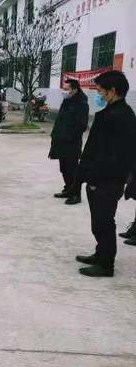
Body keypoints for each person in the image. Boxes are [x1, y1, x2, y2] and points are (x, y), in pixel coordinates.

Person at [74, 70, 136, 277]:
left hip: (106, 180)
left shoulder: (121, 117)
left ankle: (106, 264)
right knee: (99, 221)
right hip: (100, 177)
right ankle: (100, 254)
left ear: (112, 91)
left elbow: (113, 155)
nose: (98, 95)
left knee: (104, 221)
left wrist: (95, 178)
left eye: (100, 91)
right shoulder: (111, 113)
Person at [49, 79, 89, 205]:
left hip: (71, 143)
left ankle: (76, 194)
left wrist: (69, 136)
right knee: (64, 168)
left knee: (72, 169)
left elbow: (82, 125)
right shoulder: (67, 101)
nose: (64, 91)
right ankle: (68, 189)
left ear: (75, 89)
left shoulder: (81, 104)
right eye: (63, 88)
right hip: (61, 140)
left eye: (66, 89)